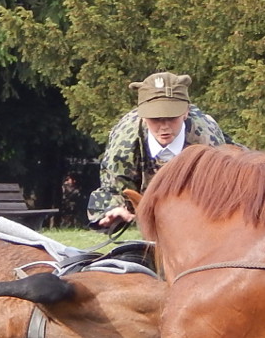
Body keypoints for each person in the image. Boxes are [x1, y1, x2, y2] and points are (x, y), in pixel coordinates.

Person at [86, 71, 230, 228]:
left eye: (172, 117)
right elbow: (113, 188)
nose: (164, 126)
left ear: (186, 112)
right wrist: (114, 208)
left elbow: (220, 192)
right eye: (155, 118)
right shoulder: (124, 141)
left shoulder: (207, 140)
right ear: (143, 116)